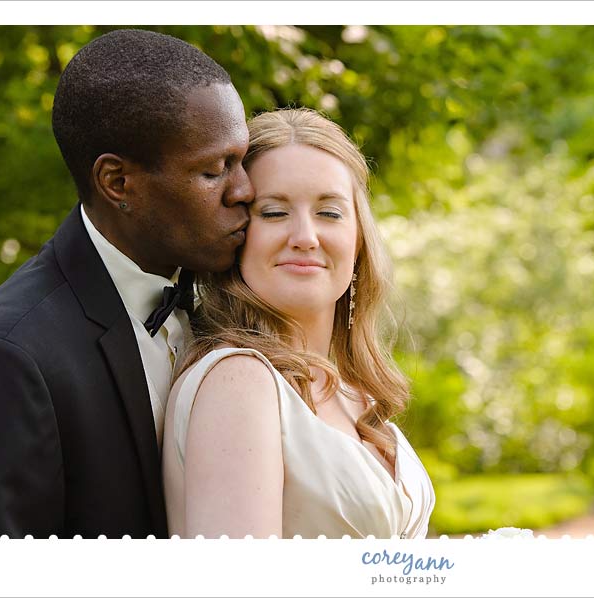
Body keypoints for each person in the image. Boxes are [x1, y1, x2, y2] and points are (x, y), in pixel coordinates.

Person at [0, 29, 254, 538]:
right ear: (118, 183)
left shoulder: (237, 298)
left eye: (243, 160)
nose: (246, 191)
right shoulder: (7, 356)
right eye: (216, 170)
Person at [162, 108, 435, 539]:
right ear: (236, 234)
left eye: (329, 213)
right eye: (273, 213)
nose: (306, 236)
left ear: (358, 238)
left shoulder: (353, 393)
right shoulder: (239, 382)